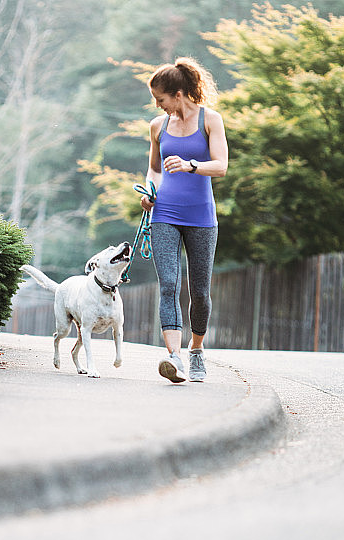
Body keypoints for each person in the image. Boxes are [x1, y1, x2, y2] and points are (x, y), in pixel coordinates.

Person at [140, 57, 228, 383]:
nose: (158, 105)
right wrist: (150, 192)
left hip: (201, 216)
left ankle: (196, 349)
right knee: (168, 285)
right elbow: (154, 169)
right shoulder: (157, 127)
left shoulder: (210, 120)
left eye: (160, 99)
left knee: (200, 292)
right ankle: (173, 357)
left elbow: (221, 166)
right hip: (164, 214)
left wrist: (192, 165)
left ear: (178, 94)